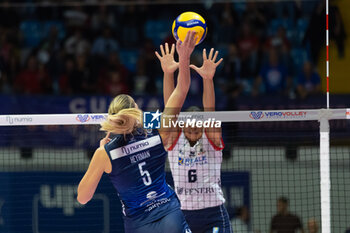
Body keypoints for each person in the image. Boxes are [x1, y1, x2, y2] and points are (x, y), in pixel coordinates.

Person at [77, 31, 198, 233]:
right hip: (170, 216)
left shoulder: (105, 154)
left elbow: (82, 198)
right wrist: (183, 58)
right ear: (135, 111)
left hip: (138, 226)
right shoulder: (157, 133)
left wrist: (100, 155)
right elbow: (182, 89)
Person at [156, 43, 232, 233]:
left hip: (213, 213)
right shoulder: (174, 138)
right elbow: (170, 109)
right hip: (183, 214)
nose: (193, 134)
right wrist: (168, 74)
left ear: (204, 127)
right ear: (182, 126)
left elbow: (210, 111)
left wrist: (207, 79)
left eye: (197, 130)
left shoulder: (211, 138)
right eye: (189, 130)